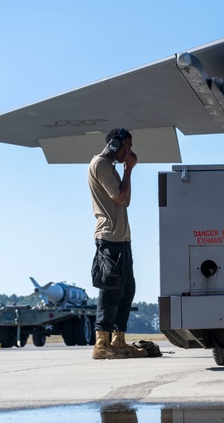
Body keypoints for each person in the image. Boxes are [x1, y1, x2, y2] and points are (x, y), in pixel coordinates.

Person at [88, 127, 147, 359]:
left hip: (121, 237)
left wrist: (126, 172)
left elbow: (125, 200)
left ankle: (118, 340)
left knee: (127, 289)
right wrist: (129, 170)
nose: (129, 152)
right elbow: (120, 197)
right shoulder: (101, 164)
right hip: (109, 236)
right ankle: (102, 344)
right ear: (114, 144)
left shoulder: (111, 167)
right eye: (126, 147)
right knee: (111, 290)